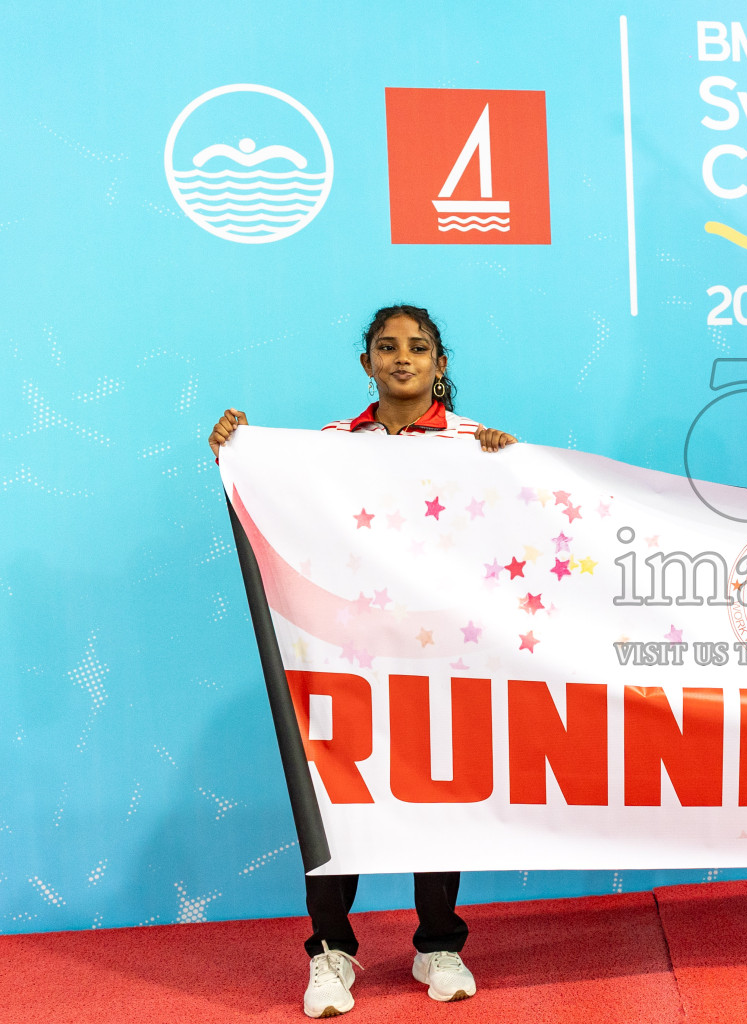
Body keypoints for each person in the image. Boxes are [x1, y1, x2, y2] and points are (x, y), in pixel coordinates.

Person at [208, 305, 516, 1018]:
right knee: (335, 798)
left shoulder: (476, 444)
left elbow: (515, 531)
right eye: (386, 346)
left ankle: (439, 944)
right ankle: (330, 952)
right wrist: (235, 450)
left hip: (441, 661)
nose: (402, 357)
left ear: (441, 365)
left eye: (418, 347)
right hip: (346, 660)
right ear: (366, 363)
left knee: (437, 797)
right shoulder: (328, 448)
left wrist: (513, 467)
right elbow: (276, 502)